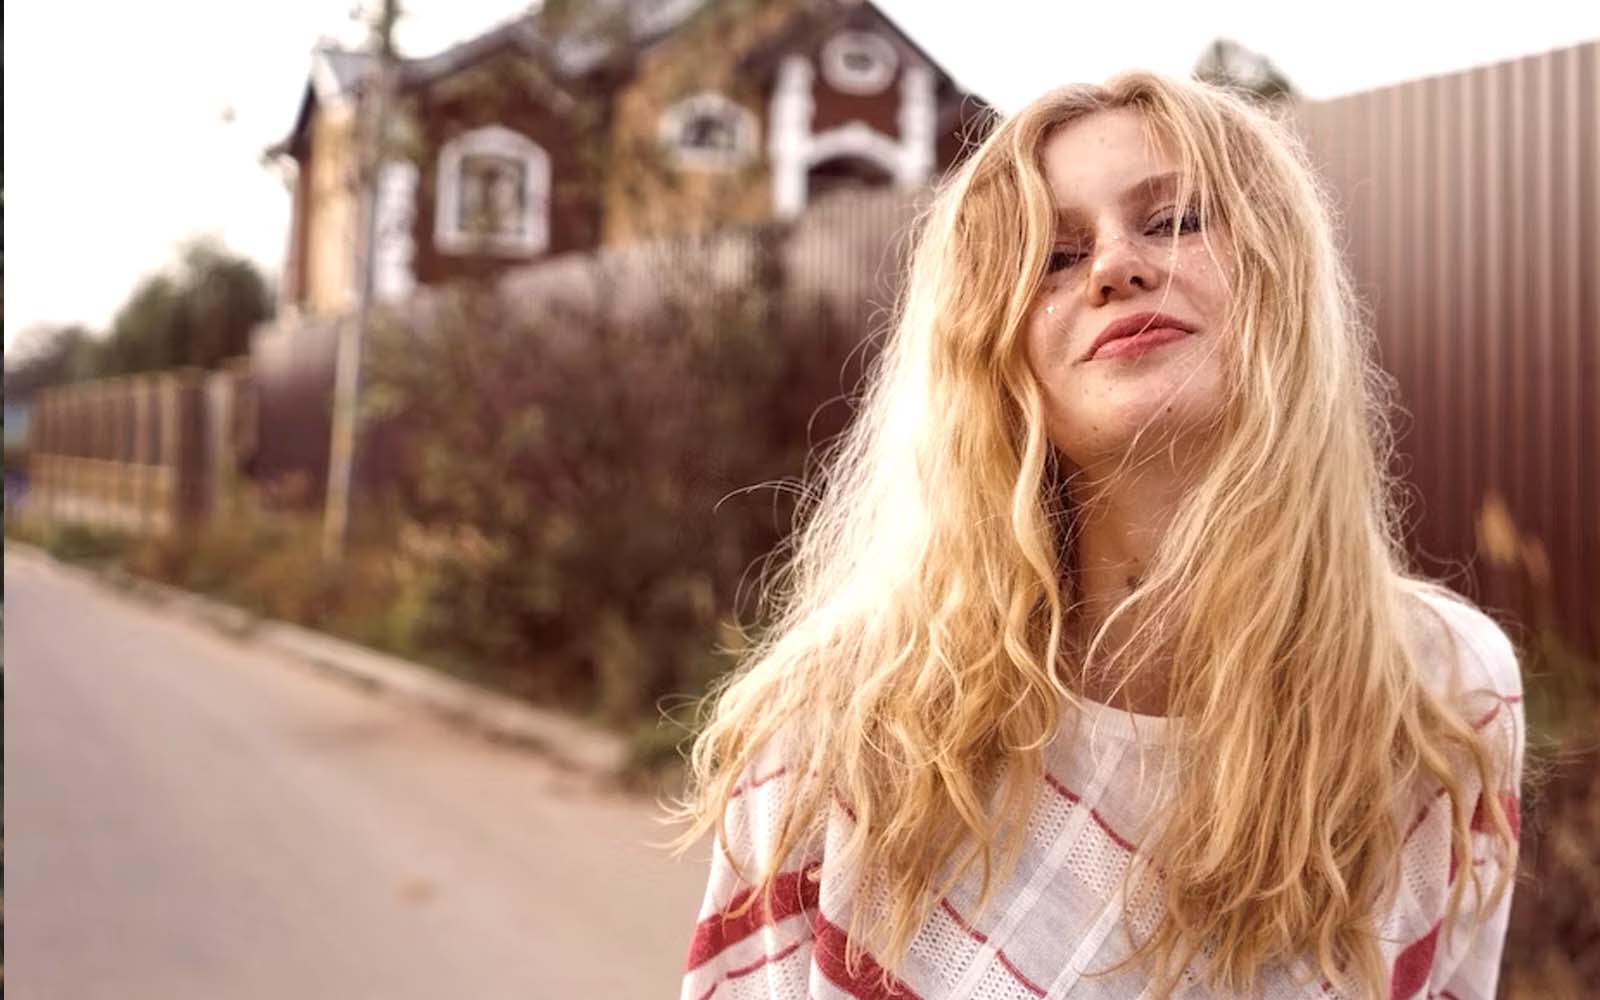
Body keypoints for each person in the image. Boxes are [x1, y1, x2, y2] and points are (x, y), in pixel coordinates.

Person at [671, 70, 1524, 1000]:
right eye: (1053, 256)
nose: (1118, 266)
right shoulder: (840, 724)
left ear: (1280, 281)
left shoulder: (1442, 693)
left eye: (1173, 221)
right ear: (993, 356)